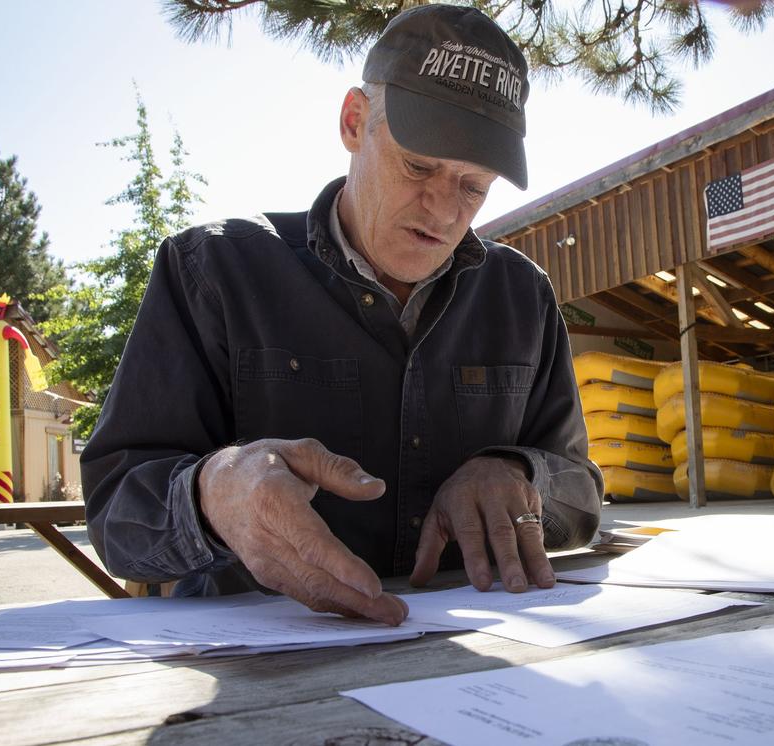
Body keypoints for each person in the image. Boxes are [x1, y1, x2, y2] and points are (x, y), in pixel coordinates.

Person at [81, 4, 602, 628]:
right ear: (354, 121)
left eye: (473, 185)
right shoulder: (214, 272)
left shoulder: (523, 296)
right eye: (419, 166)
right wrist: (215, 491)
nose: (441, 211)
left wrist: (519, 475)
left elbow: (582, 491)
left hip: (472, 670)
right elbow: (117, 514)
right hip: (260, 676)